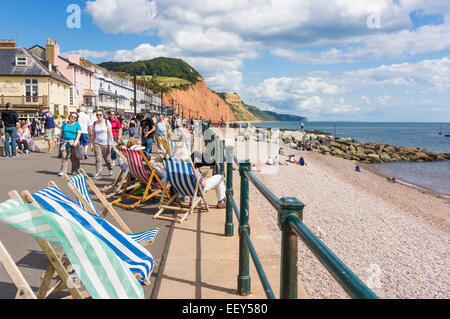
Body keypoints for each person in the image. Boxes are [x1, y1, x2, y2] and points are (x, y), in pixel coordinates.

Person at [91, 110, 114, 179]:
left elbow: (110, 133)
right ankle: (98, 173)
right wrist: (91, 144)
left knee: (107, 159)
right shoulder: (94, 123)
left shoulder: (107, 122)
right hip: (97, 143)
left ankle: (110, 168)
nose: (99, 116)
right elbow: (93, 135)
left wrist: (112, 142)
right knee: (98, 158)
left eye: (100, 115)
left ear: (103, 115)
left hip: (106, 143)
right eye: (97, 115)